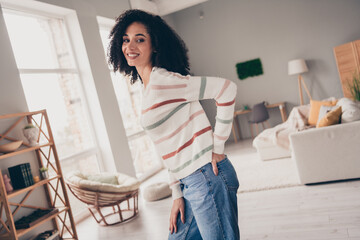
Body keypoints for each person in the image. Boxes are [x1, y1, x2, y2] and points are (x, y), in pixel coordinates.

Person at [108, 9, 240, 240]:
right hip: (191, 182)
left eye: (140, 39)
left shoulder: (162, 81)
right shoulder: (147, 86)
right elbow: (167, 147)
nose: (130, 46)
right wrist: (177, 193)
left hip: (206, 176)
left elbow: (226, 88)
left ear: (155, 45)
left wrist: (218, 147)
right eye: (126, 40)